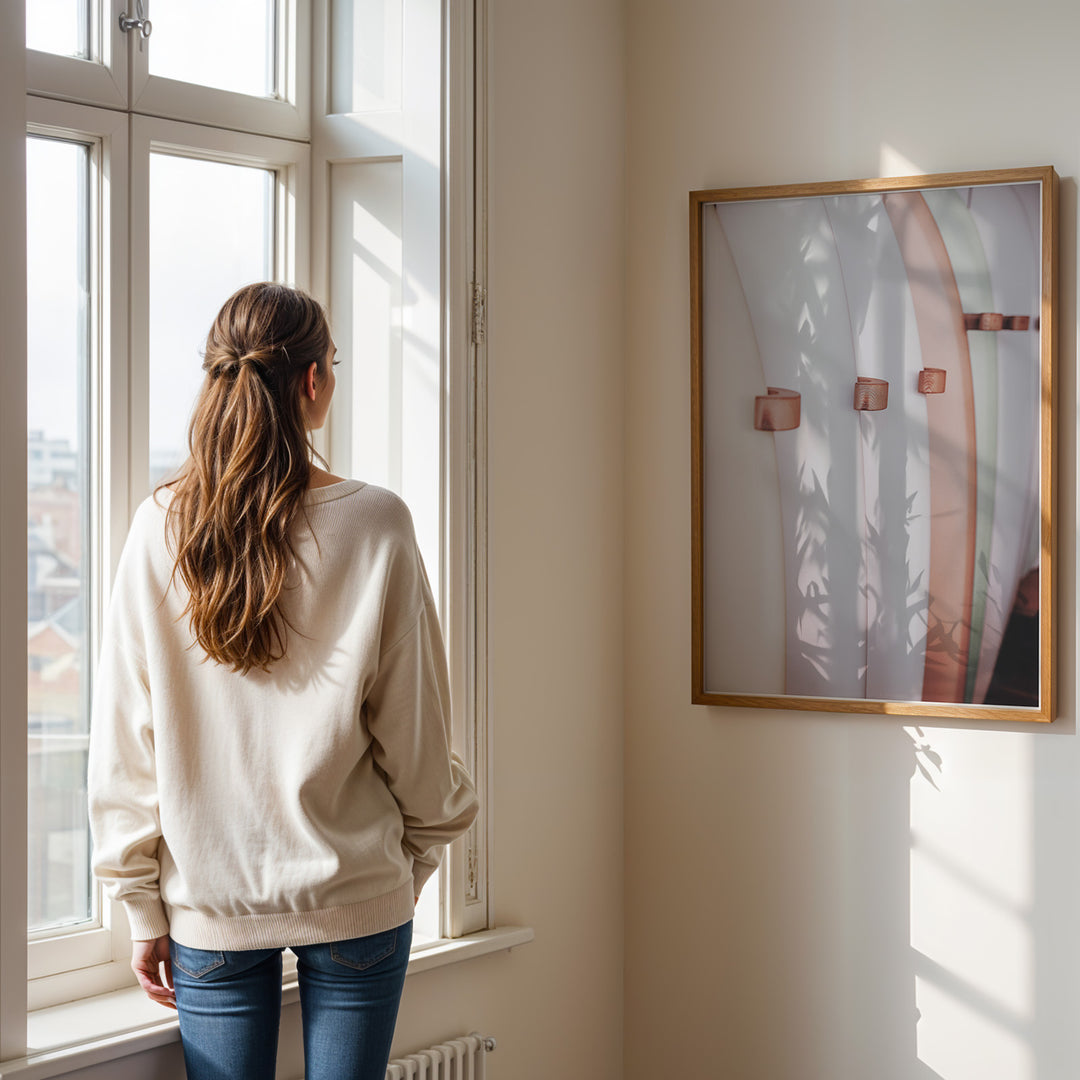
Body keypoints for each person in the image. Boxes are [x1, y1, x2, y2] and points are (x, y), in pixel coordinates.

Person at [87, 282, 479, 1080]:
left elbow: (126, 733)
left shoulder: (159, 525)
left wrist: (140, 905)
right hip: (359, 891)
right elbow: (416, 724)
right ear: (311, 382)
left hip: (209, 904)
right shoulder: (375, 523)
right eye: (332, 364)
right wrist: (422, 853)